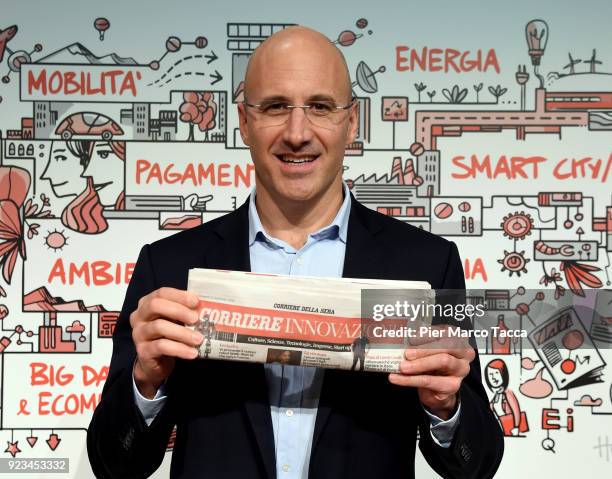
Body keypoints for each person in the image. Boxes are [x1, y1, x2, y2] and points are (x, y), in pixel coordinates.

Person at [87, 26, 504, 479]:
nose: (297, 133)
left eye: (320, 107)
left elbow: (474, 466)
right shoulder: (169, 266)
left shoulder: (425, 264)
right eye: (275, 107)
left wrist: (446, 406)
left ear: (352, 121)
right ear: (244, 122)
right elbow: (116, 465)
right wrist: (146, 384)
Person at [485, 359, 528, 437]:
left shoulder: (508, 393)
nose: (493, 377)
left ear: (503, 374)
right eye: (490, 374)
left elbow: (516, 410)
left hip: (510, 429)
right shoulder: (496, 395)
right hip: (501, 430)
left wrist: (516, 427)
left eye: (496, 373)